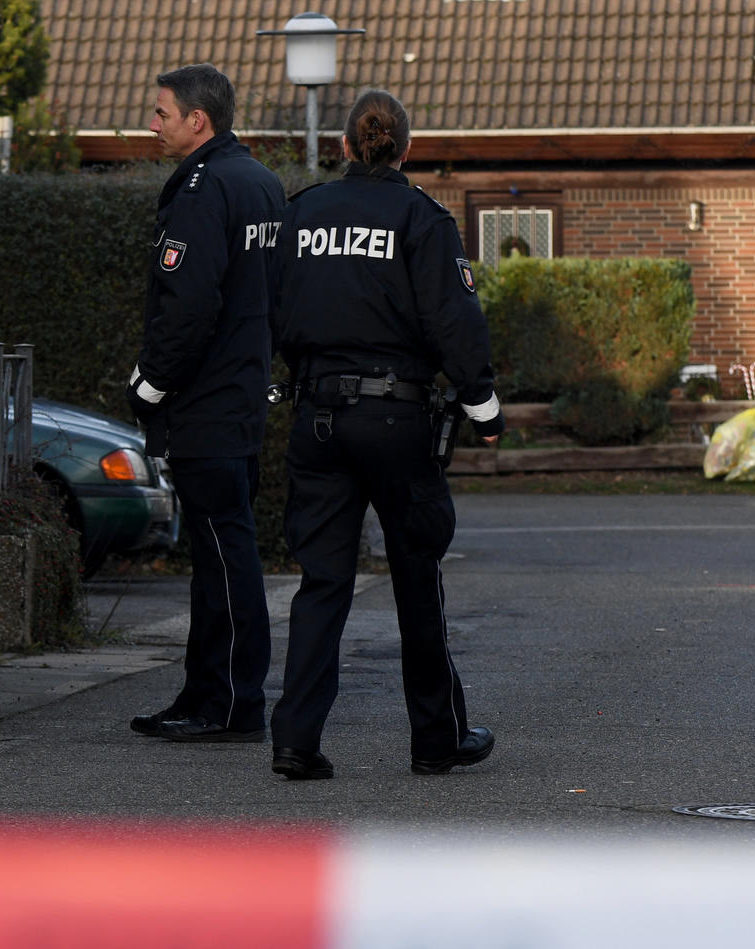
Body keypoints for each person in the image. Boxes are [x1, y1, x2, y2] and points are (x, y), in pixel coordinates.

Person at [266, 90, 505, 780]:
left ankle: (296, 740)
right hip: (397, 418)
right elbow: (453, 319)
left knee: (321, 582)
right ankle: (436, 738)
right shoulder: (420, 217)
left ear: (344, 146)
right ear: (407, 148)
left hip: (317, 417)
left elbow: (273, 310)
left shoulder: (301, 212)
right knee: (415, 577)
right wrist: (481, 401)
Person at [124, 64, 286, 743]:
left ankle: (226, 700)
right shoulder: (263, 182)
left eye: (162, 112)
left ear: (199, 120)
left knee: (222, 555)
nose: (153, 123)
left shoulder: (204, 186)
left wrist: (151, 382)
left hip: (207, 402)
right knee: (225, 551)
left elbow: (189, 301)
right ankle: (209, 692)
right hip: (242, 395)